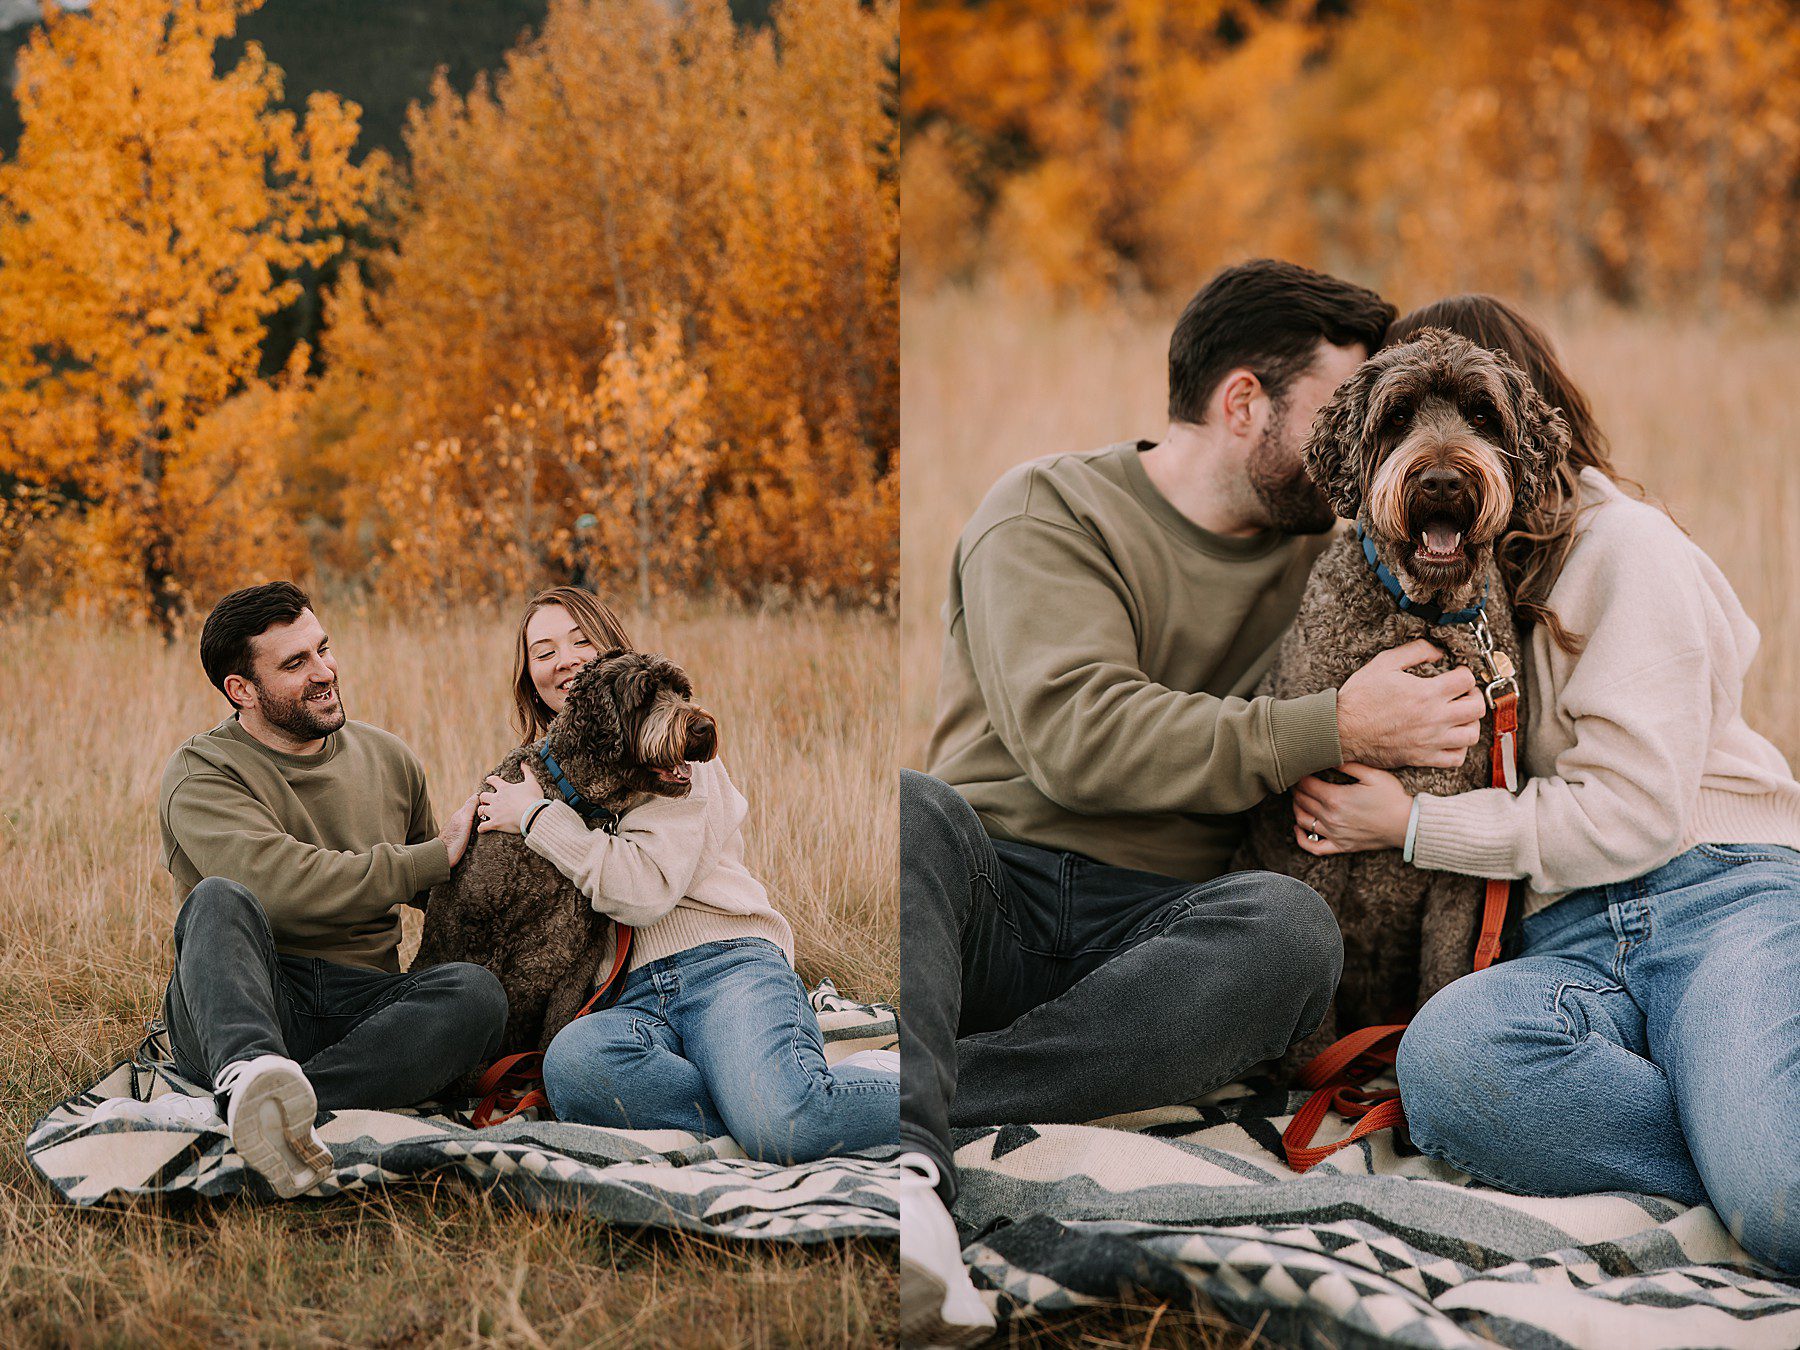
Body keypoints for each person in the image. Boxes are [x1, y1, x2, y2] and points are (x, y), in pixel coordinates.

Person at [898, 259, 1494, 1344]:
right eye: (1338, 413)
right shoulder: (1046, 510)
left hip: (1161, 931)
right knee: (911, 811)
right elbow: (1081, 737)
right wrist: (1337, 726)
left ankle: (929, 1091)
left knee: (1286, 927)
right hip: (996, 886)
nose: (1359, 445)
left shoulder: (1339, 548)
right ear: (1241, 404)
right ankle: (910, 1189)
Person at [1288, 294, 1800, 1273]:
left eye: (1480, 417)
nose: (1443, 451)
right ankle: (1738, 1122)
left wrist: (1410, 826)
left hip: (1713, 892)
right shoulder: (1472, 578)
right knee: (1452, 1071)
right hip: (1566, 936)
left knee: (1781, 1203)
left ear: (1533, 426)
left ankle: (1759, 1150)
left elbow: (1637, 815)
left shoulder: (1628, 548)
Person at [98, 581, 508, 1199]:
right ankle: (249, 1076)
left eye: (323, 649)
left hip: (360, 1011)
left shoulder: (388, 757)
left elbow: (441, 892)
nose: (325, 672)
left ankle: (286, 1108)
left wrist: (536, 837)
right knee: (219, 899)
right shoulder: (203, 772)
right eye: (296, 663)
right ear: (242, 689)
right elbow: (280, 886)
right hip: (247, 998)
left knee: (477, 994)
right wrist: (426, 860)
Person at [473, 586, 899, 1163]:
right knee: (574, 1067)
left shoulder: (678, 751)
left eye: (581, 640)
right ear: (529, 675)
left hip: (726, 966)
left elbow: (642, 893)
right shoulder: (546, 771)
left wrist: (536, 819)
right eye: (543, 651)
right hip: (629, 1000)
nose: (565, 660)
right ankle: (753, 1101)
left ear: (614, 650)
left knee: (792, 1126)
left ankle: (940, 1091)